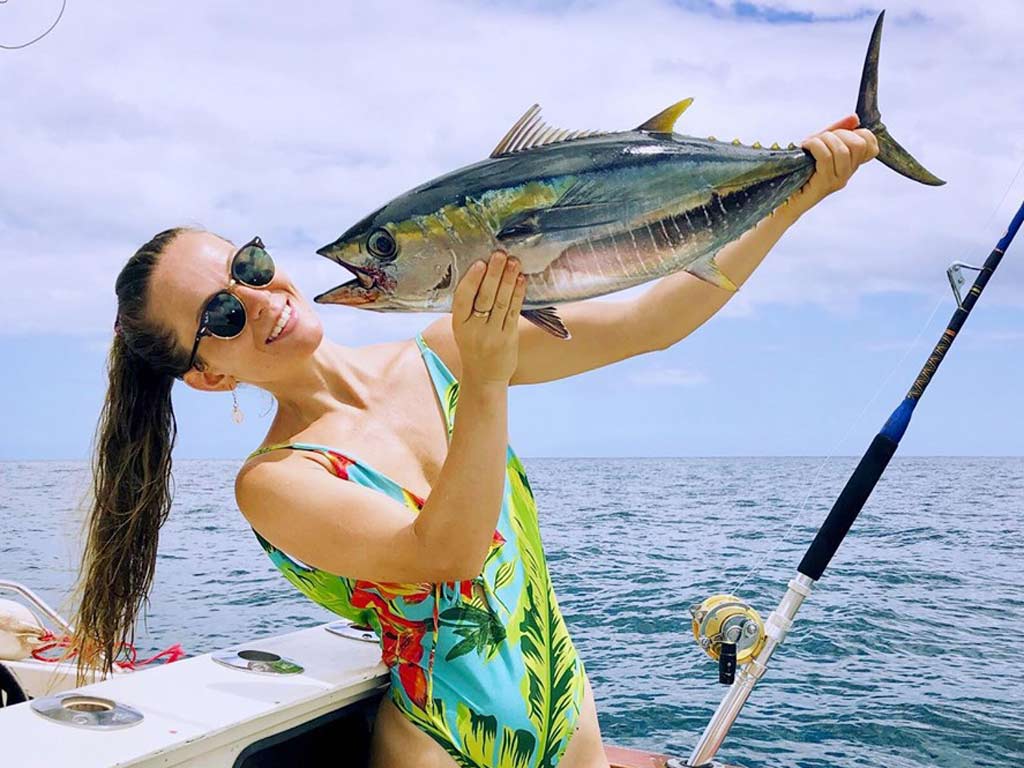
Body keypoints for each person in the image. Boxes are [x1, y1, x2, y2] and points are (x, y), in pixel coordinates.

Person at [67, 117, 878, 768]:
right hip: (443, 746)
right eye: (220, 315)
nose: (258, 298)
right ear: (207, 376)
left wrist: (797, 194)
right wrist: (488, 381)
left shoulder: (441, 352)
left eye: (248, 264)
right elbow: (446, 549)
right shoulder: (278, 479)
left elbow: (651, 322)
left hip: (573, 725)